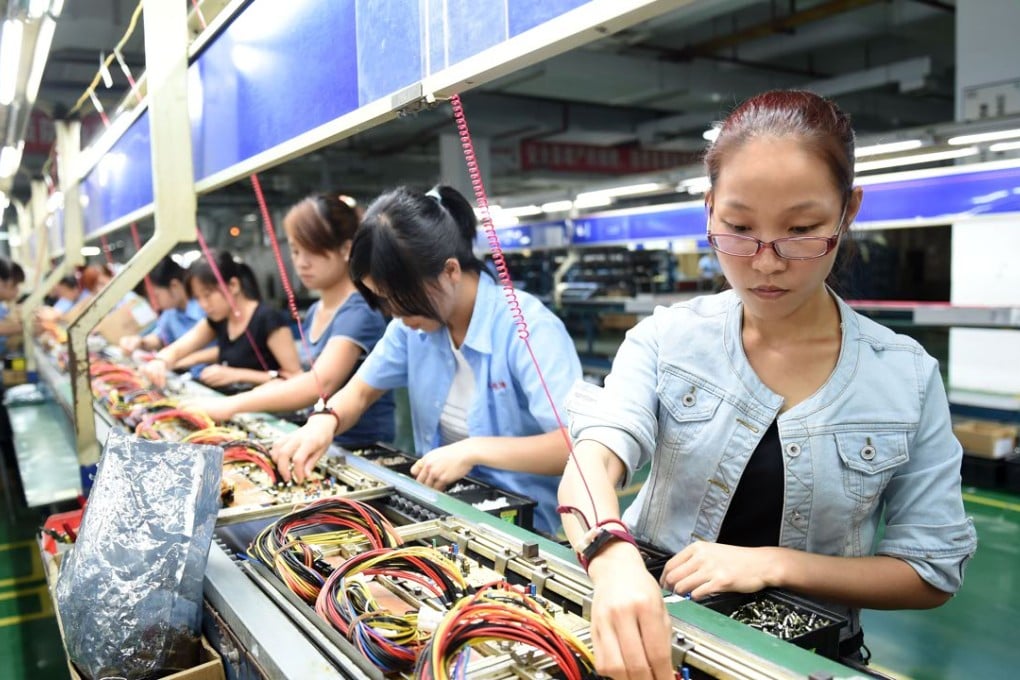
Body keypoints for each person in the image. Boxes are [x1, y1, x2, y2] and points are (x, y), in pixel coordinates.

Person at [557, 90, 977, 679]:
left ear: (848, 210)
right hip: (652, 645)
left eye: (802, 230)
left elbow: (930, 572)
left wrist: (775, 565)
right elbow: (593, 459)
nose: (766, 262)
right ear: (708, 210)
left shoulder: (905, 377)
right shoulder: (667, 340)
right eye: (737, 228)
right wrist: (611, 556)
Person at [271, 185, 582, 535]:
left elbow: (574, 445)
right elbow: (358, 393)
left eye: (402, 299)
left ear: (450, 271)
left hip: (522, 530)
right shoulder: (412, 327)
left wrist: (475, 450)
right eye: (384, 301)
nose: (395, 314)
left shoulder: (528, 328)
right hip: (439, 511)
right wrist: (323, 421)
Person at [182, 193, 395, 447]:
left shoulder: (359, 311)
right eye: (295, 251)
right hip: (319, 439)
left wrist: (230, 405)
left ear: (345, 249)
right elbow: (300, 378)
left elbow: (319, 384)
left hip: (359, 447)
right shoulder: (317, 310)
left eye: (313, 251)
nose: (301, 263)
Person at [140, 250, 301, 391]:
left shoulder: (268, 319)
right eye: (198, 298)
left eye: (208, 295)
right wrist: (160, 361)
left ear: (233, 285)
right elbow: (180, 348)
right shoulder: (218, 320)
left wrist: (236, 375)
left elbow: (296, 379)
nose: (203, 305)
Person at [119, 255, 213, 373]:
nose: (154, 303)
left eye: (156, 295)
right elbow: (159, 337)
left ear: (174, 286)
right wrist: (139, 342)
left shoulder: (207, 308)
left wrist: (176, 360)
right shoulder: (170, 313)